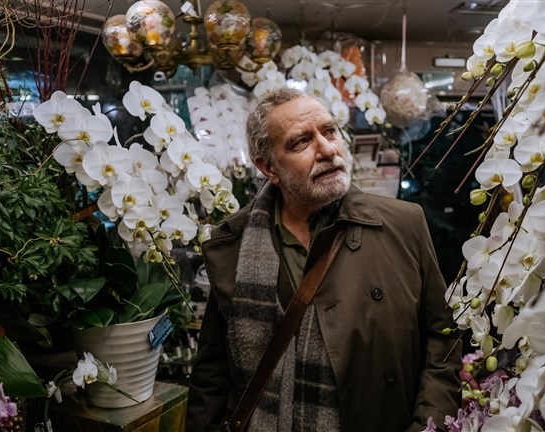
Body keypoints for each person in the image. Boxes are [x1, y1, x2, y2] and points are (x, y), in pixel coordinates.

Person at [186, 88, 461, 432]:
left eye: (329, 131)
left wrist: (428, 424)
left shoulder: (404, 225)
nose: (328, 149)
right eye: (301, 141)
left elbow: (442, 339)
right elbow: (212, 373)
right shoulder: (234, 247)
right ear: (268, 167)